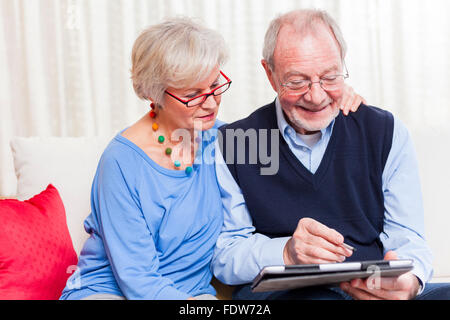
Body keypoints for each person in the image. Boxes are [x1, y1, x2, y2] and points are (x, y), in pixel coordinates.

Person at [60, 17, 364, 300]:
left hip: (195, 295)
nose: (211, 102)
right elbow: (138, 280)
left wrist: (330, 99)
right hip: (110, 293)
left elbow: (293, 144)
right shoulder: (121, 163)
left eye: (215, 85)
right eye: (194, 94)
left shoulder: (224, 140)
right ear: (155, 94)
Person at [212, 9, 450, 300]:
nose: (316, 96)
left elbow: (408, 237)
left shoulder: (385, 132)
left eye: (329, 77)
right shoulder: (236, 142)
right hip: (289, 294)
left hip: (370, 289)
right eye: (297, 81)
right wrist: (286, 251)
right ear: (270, 75)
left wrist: (409, 282)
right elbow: (225, 256)